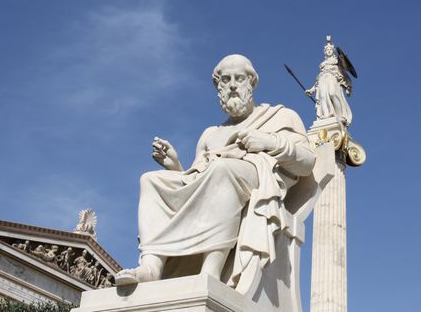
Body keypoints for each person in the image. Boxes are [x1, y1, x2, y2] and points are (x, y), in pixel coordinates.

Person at [115, 54, 316, 289]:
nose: (232, 85)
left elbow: (307, 162)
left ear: (251, 84)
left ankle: (211, 268)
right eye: (225, 80)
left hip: (254, 180)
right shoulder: (211, 134)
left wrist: (269, 142)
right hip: (218, 178)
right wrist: (175, 167)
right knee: (150, 180)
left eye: (239, 78)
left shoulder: (280, 116)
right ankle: (152, 266)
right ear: (218, 88)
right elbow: (196, 180)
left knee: (222, 169)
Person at [306, 37, 352, 124]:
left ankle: (340, 116)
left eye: (330, 49)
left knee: (332, 93)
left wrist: (343, 58)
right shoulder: (322, 65)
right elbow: (318, 79)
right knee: (323, 97)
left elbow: (345, 68)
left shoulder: (337, 61)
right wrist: (311, 90)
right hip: (323, 79)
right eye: (327, 49)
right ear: (325, 52)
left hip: (332, 78)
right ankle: (326, 116)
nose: (329, 50)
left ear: (333, 51)